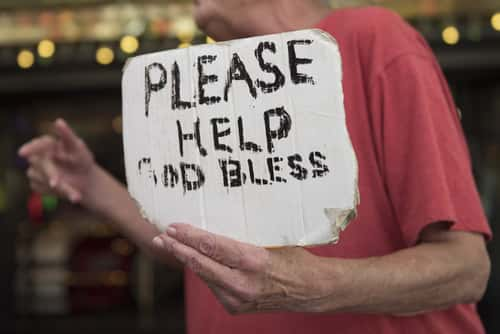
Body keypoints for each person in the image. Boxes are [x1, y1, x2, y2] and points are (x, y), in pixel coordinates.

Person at [19, 0, 492, 333]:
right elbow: (193, 247)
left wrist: (309, 286)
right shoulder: (209, 86)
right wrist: (89, 183)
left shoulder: (374, 38)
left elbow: (467, 268)